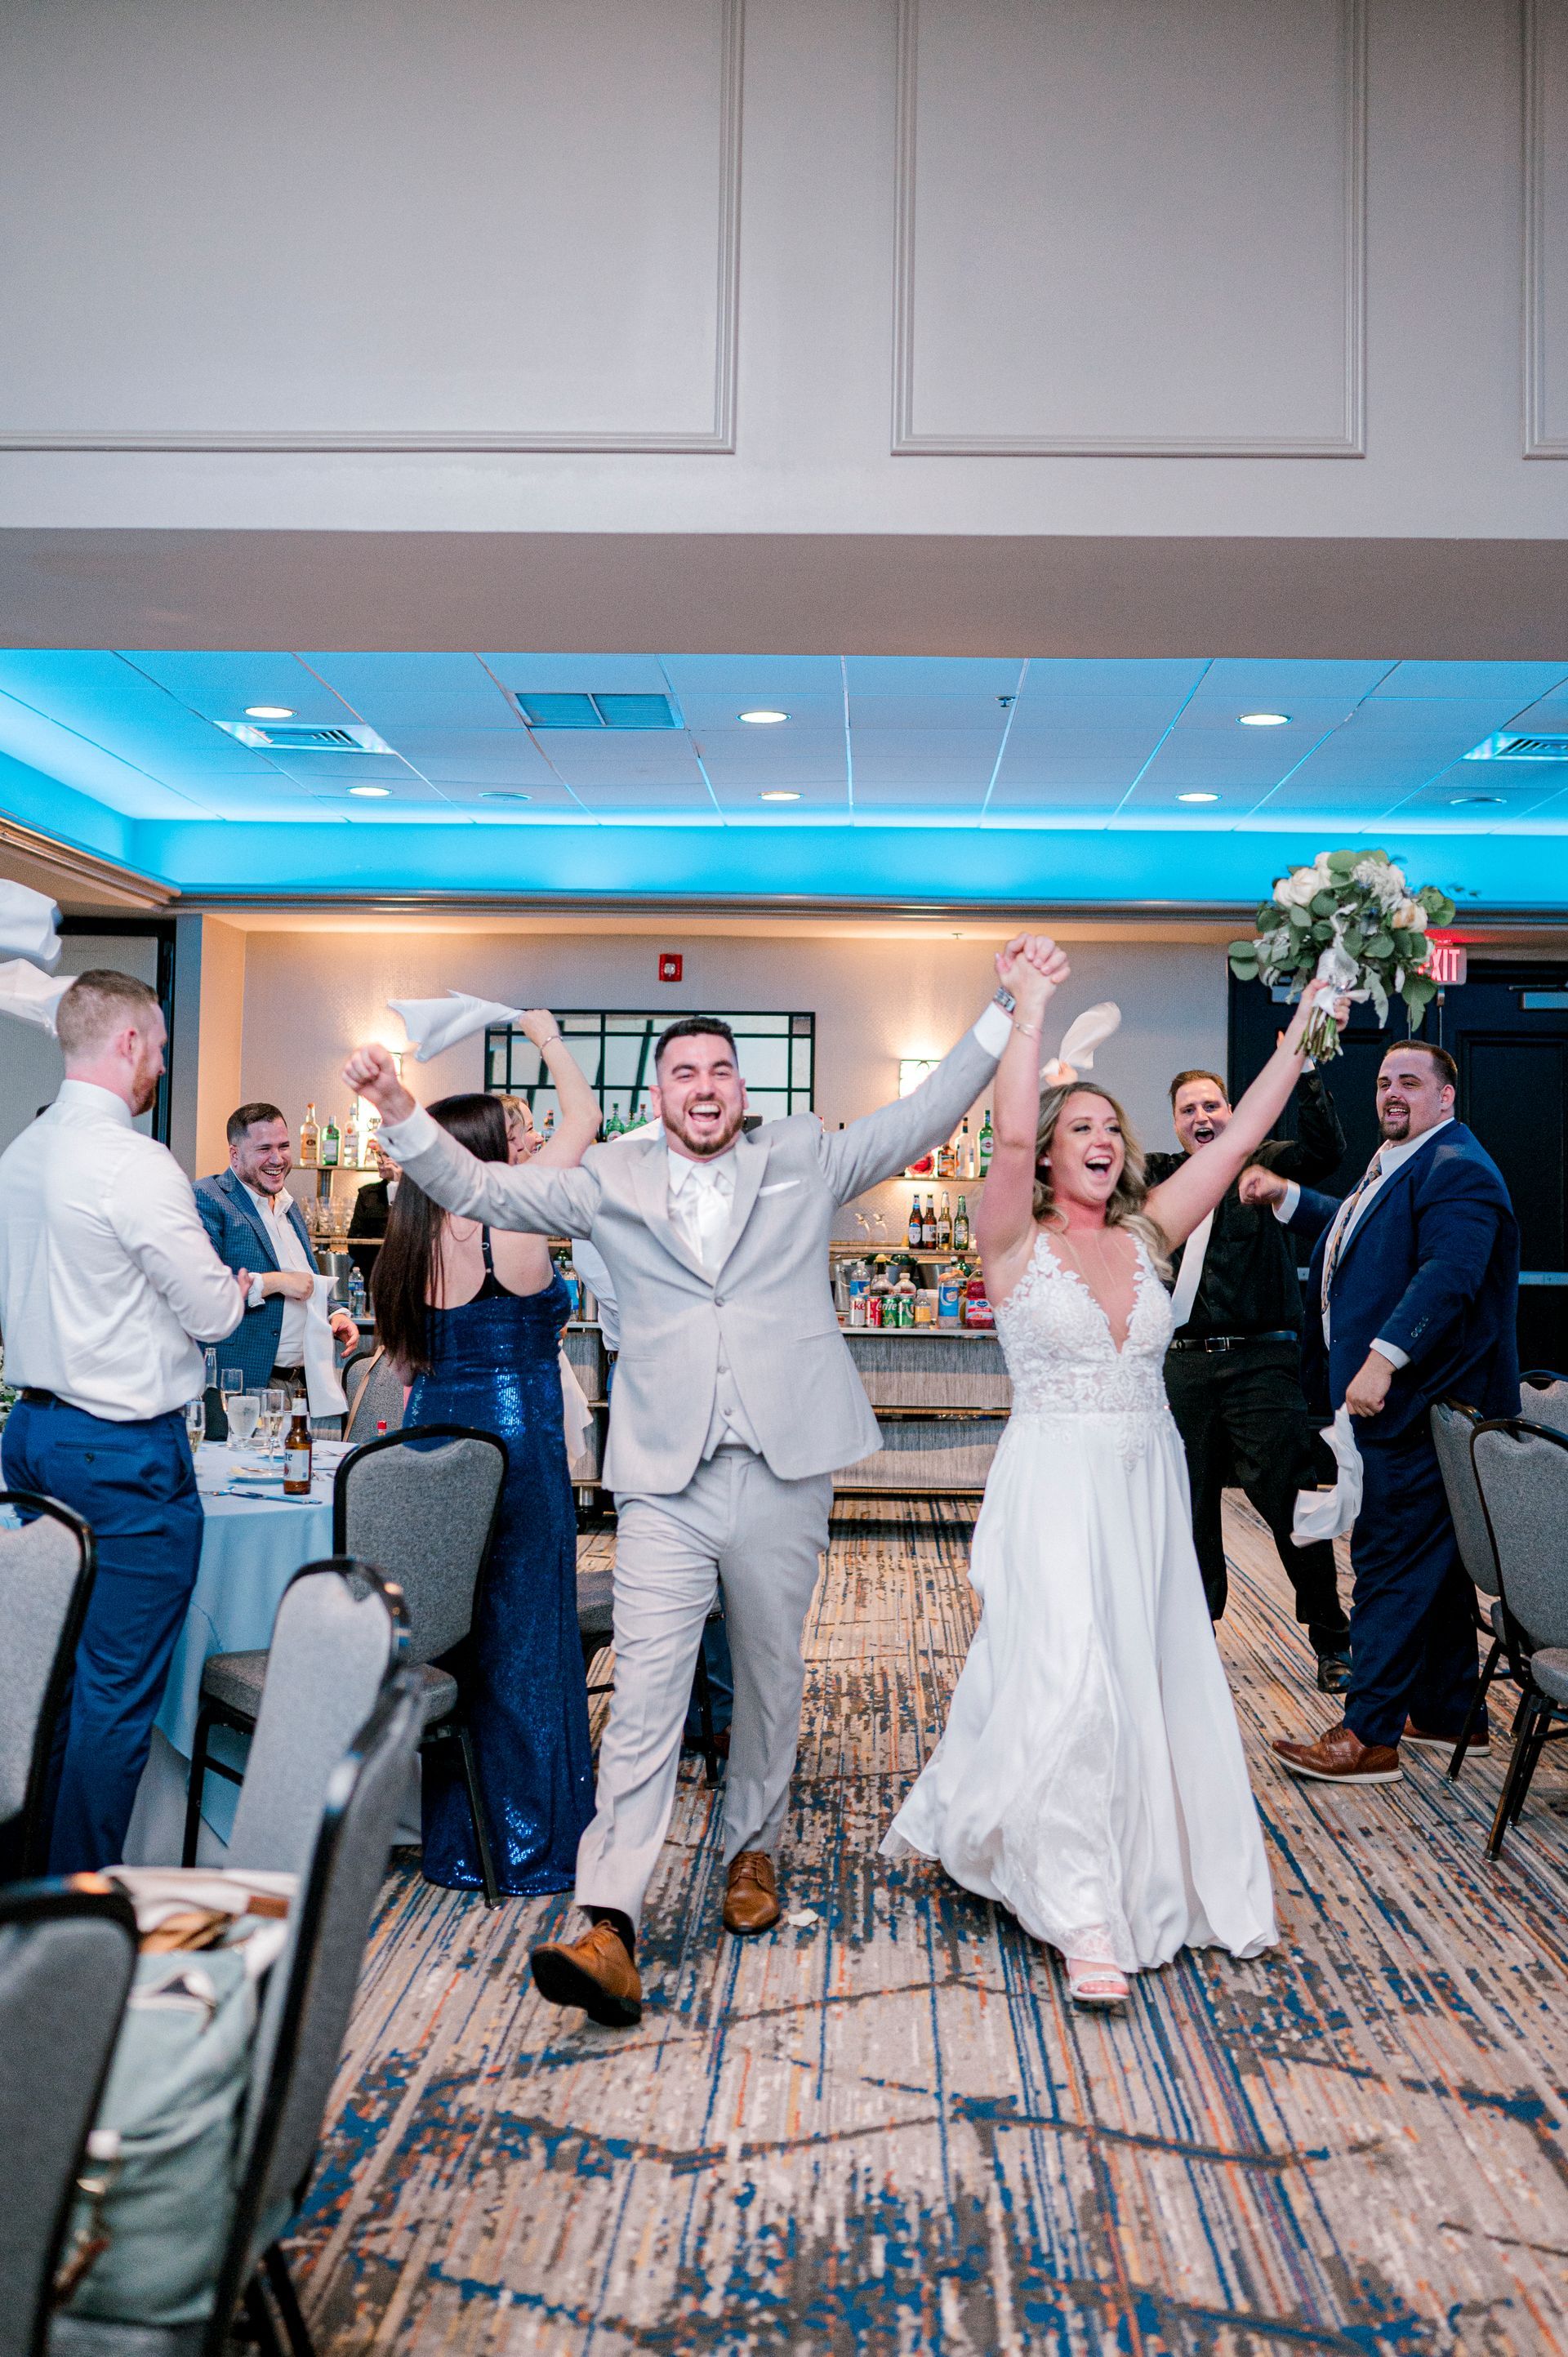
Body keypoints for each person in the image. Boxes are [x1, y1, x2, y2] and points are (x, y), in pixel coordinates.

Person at [344, 942, 1041, 2028]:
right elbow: (475, 1183)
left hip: (784, 1466)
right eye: (683, 1073)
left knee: (766, 1674)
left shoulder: (804, 1152)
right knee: (650, 1690)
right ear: (658, 1093)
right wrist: (398, 1108)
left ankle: (749, 1847)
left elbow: (925, 1115)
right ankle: (608, 1914)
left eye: (719, 1070)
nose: (704, 1086)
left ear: (741, 1089)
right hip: (666, 1478)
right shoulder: (609, 1176)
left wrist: (1004, 1008)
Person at [882, 958, 1345, 2008]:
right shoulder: (1010, 1241)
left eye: (1110, 1128)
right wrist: (1030, 1012)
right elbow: (999, 1135)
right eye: (1079, 1128)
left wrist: (1303, 1025)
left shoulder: (1148, 1234)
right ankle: (1082, 1909)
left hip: (1143, 1485)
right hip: (1053, 1486)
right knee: (1071, 1680)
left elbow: (1234, 1141)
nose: (1102, 1140)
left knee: (1148, 1672)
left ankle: (1154, 1864)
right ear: (1047, 1157)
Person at [0, 971, 250, 1872]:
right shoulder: (134, 1162)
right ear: (132, 1044)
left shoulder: (19, 1156)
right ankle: (83, 1917)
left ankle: (30, 1886)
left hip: (31, 1437)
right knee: (113, 1692)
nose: (162, 1062)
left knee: (48, 1678)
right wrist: (246, 1284)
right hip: (119, 1451)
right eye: (161, 1045)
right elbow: (215, 1313)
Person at [1239, 1040, 1519, 1787]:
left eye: (1410, 1082)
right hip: (1408, 1410)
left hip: (1422, 1405)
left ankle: (1370, 1735)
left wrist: (1384, 1357)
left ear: (1446, 1096)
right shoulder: (1409, 1161)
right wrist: (1289, 1198)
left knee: (1389, 1559)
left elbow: (1449, 1277)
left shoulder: (1458, 1169)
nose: (1392, 1093)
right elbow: (1359, 1231)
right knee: (1434, 1563)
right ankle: (1449, 1711)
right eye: (1384, 1081)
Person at [372, 1012, 603, 1896]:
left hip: (433, 1442)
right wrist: (546, 1039)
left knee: (455, 1637)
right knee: (530, 1636)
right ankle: (533, 1841)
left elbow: (401, 1367)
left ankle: (460, 1841)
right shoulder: (514, 1209)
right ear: (485, 1147)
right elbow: (583, 1122)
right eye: (517, 1127)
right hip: (517, 1444)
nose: (536, 1135)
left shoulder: (410, 1235)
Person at [1144, 1063, 1352, 1689]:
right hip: (1183, 1365)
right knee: (1188, 1502)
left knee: (1292, 1497)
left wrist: (1308, 1076)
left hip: (1262, 1362)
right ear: (1176, 1124)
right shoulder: (1158, 1175)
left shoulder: (1265, 1160)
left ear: (1231, 1111)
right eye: (1189, 1110)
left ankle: (1332, 1637)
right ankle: (1194, 1634)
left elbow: (1326, 1150)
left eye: (1212, 1105)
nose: (1202, 1118)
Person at [195, 1104, 358, 1394]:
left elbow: (305, 1281)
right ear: (235, 1154)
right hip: (241, 1384)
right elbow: (202, 1292)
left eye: (284, 1146)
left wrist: (335, 1314)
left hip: (299, 1384)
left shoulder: (288, 1205)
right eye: (264, 1149)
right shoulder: (209, 1198)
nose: (277, 1159)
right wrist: (278, 1281)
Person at [347, 1135, 401, 1285]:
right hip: (369, 1276)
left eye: (387, 1155)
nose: (379, 1160)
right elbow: (353, 1246)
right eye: (379, 1154)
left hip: (404, 1277)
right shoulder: (368, 1194)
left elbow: (407, 1240)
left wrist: (398, 1185)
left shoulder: (418, 1195)